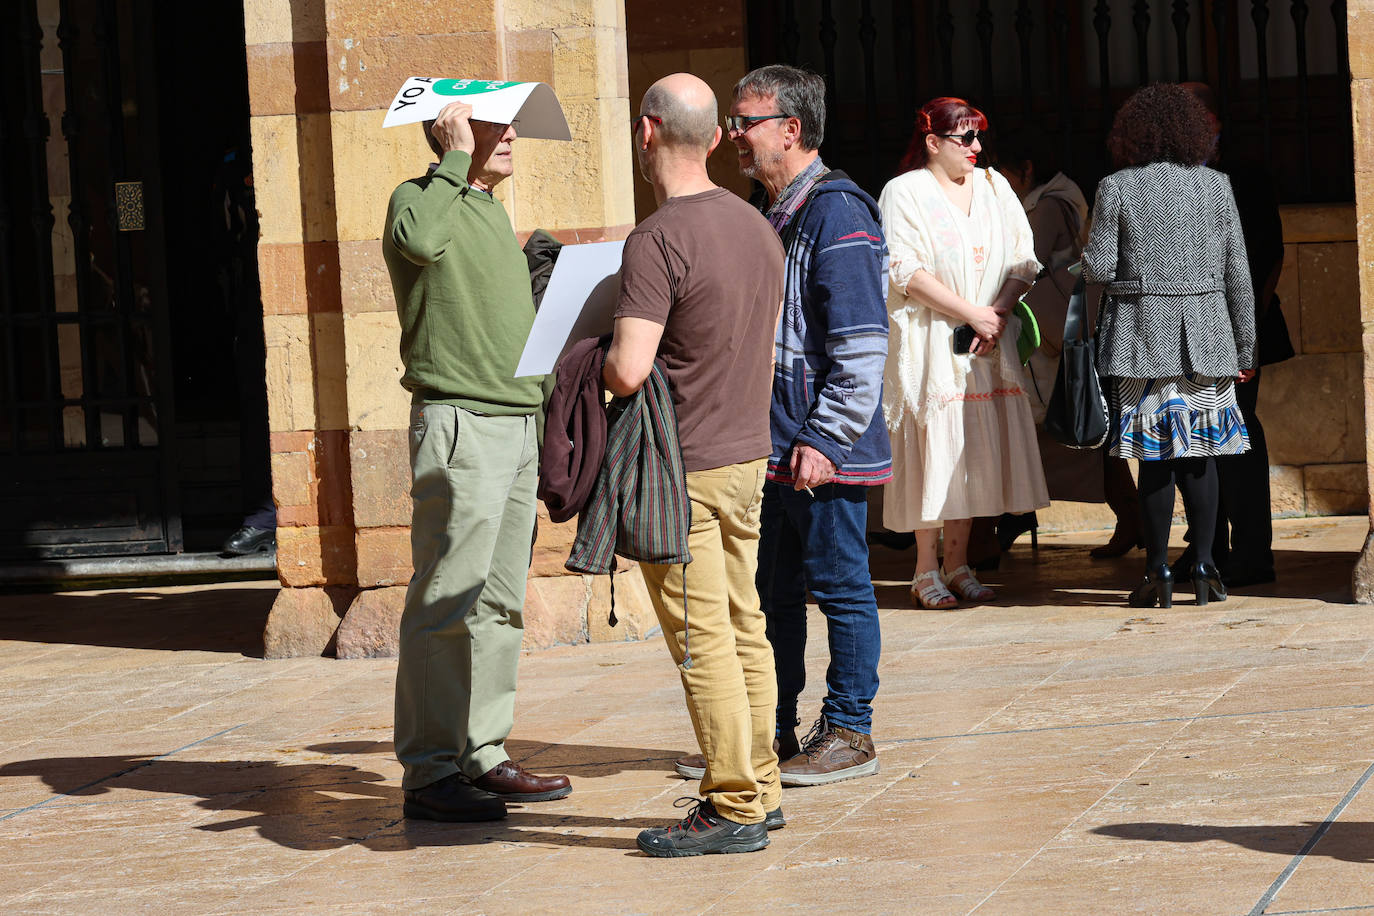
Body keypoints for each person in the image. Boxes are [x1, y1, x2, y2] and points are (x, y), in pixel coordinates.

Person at [603, 73, 786, 856]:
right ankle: (764, 785)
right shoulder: (756, 225)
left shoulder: (656, 238)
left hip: (684, 468)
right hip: (748, 455)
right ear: (714, 138)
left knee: (702, 639)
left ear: (647, 133)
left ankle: (734, 803)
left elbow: (628, 371)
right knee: (747, 627)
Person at [383, 100, 571, 823]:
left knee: (499, 602)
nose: (514, 134)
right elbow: (422, 242)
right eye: (498, 123)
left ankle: (482, 752)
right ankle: (430, 772)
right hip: (462, 425)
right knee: (445, 602)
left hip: (515, 425)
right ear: (456, 129)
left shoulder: (490, 210)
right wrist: (453, 158)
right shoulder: (419, 198)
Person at [716, 64, 892, 786]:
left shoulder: (838, 213)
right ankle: (774, 727)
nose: (733, 136)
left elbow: (862, 344)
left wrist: (824, 439)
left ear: (791, 129)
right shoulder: (776, 212)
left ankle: (850, 729)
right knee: (775, 594)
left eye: (744, 123)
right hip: (776, 448)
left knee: (842, 587)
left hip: (822, 451)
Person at [1082, 83, 1256, 609]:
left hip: (1140, 342)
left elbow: (1098, 268)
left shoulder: (1116, 188)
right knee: (1201, 459)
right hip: (1207, 339)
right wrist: (1245, 351)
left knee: (1154, 461)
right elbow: (1238, 278)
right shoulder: (1217, 187)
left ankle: (1157, 570)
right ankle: (1204, 566)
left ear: (1131, 135)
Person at [878, 97, 1049, 610]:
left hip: (987, 341)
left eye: (979, 138)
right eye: (965, 138)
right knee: (934, 448)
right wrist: (969, 312)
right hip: (934, 339)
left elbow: (1025, 258)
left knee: (974, 452)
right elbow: (902, 270)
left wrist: (995, 311)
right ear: (933, 142)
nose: (976, 148)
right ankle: (924, 568)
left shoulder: (996, 187)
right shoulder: (903, 191)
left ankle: (959, 564)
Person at [995, 132, 1142, 559]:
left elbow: (1027, 260)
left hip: (1051, 336)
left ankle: (1130, 516)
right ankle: (1017, 514)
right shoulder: (1055, 198)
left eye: (1004, 170)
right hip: (1052, 330)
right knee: (1075, 431)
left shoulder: (1047, 205)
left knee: (1082, 427)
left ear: (1025, 170)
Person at [1172, 81, 1291, 587]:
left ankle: (1252, 551)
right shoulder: (1164, 178)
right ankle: (1206, 547)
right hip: (1181, 328)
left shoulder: (1245, 175)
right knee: (1190, 436)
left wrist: (1246, 334)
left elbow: (1267, 257)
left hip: (1237, 326)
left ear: (1214, 121)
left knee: (1238, 434)